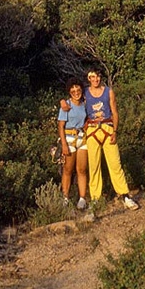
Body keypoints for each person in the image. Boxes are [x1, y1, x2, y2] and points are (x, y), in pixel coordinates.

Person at [83, 67, 138, 210]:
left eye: (98, 77)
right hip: (92, 131)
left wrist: (115, 131)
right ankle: (95, 198)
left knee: (115, 164)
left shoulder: (108, 92)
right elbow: (75, 104)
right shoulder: (85, 93)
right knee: (94, 166)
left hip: (107, 129)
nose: (96, 80)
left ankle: (124, 195)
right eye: (93, 77)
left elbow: (114, 112)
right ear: (89, 78)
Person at [57, 77, 88, 210]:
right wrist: (63, 144)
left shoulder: (85, 104)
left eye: (78, 89)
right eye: (73, 89)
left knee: (81, 169)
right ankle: (65, 198)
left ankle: (82, 198)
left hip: (82, 138)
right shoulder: (66, 106)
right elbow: (61, 125)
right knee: (68, 170)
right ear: (69, 91)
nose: (76, 92)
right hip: (69, 138)